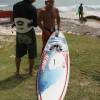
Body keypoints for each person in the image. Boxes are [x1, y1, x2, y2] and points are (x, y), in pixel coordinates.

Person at [12, 0, 37, 76]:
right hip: (29, 33)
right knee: (31, 53)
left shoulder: (15, 5)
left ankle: (17, 71)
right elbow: (35, 24)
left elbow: (15, 19)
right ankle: (30, 71)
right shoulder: (32, 8)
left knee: (18, 53)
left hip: (19, 32)